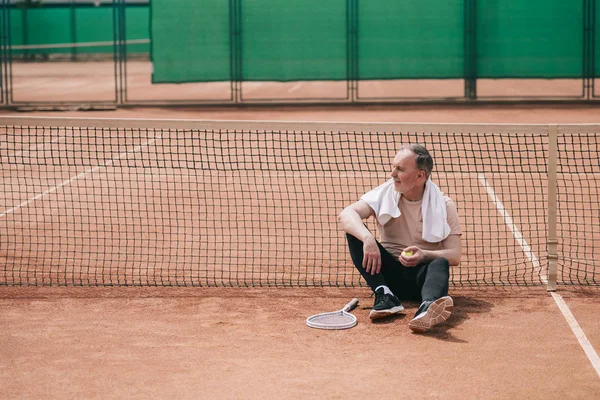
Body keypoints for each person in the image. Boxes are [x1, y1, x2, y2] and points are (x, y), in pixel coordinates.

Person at [338, 144, 462, 333]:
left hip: (422, 279)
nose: (392, 174)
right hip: (388, 274)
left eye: (400, 169)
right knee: (355, 234)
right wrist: (368, 238)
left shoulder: (445, 205)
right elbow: (346, 214)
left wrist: (424, 255)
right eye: (393, 167)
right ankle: (385, 296)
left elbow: (455, 255)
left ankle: (427, 308)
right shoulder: (384, 193)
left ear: (420, 176)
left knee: (440, 262)